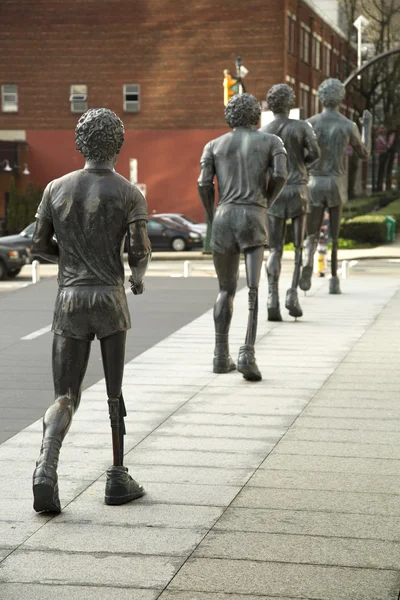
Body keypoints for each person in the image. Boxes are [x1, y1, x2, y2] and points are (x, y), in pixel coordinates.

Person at [31, 108, 151, 513]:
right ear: (118, 144)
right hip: (110, 297)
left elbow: (38, 245)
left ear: (80, 143)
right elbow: (138, 249)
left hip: (69, 298)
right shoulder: (129, 193)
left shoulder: (55, 188)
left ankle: (46, 467)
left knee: (65, 394)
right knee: (114, 391)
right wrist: (136, 276)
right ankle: (117, 476)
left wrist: (69, 261)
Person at [198, 93, 287, 381]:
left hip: (224, 215)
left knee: (225, 289)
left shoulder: (213, 145)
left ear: (230, 117)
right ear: (257, 116)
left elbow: (203, 184)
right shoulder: (272, 142)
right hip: (253, 213)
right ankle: (247, 352)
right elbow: (282, 174)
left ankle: (219, 354)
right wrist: (266, 201)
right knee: (252, 288)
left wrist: (212, 216)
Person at [300, 78, 371, 294]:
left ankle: (308, 263)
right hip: (336, 184)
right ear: (340, 98)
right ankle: (333, 280)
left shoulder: (309, 123)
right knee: (336, 235)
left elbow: (301, 156)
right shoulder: (348, 125)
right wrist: (367, 126)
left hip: (314, 182)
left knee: (310, 234)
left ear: (320, 97)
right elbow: (364, 154)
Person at [260, 84, 320, 320]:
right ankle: (292, 294)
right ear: (291, 103)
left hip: (275, 192)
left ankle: (272, 296)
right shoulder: (302, 127)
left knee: (274, 249)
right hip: (298, 190)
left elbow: (262, 165)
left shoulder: (264, 131)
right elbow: (315, 153)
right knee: (297, 247)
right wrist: (302, 167)